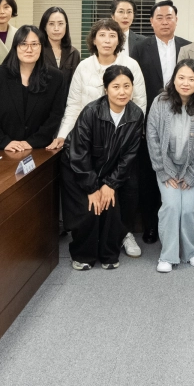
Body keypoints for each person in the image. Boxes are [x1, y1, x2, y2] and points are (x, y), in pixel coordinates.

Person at [55, 18, 146, 256]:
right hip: (88, 140)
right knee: (91, 189)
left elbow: (139, 103)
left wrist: (131, 133)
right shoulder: (83, 67)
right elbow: (74, 105)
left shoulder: (131, 64)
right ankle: (92, 236)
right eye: (102, 35)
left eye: (112, 35)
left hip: (122, 138)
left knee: (125, 188)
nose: (107, 40)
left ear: (119, 39)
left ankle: (124, 233)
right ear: (94, 39)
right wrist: (63, 136)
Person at [63, 65, 146, 270]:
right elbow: (79, 153)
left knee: (110, 204)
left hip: (109, 171)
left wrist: (110, 184)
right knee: (90, 208)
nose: (122, 92)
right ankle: (83, 255)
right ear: (106, 89)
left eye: (127, 86)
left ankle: (108, 253)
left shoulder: (136, 114)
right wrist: (92, 188)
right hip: (78, 169)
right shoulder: (91, 111)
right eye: (116, 86)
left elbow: (129, 156)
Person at [127, 0, 189, 246]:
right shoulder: (140, 48)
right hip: (151, 119)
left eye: (169, 17)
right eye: (159, 18)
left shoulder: (186, 47)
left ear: (176, 20)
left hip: (183, 118)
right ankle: (151, 226)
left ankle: (178, 226)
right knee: (150, 172)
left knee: (179, 169)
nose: (165, 22)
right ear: (151, 22)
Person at [146, 59, 194, 272]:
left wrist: (193, 174)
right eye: (181, 77)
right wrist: (164, 170)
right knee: (171, 206)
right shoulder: (160, 102)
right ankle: (167, 256)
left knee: (189, 209)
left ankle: (192, 252)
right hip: (166, 167)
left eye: (191, 79)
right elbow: (152, 136)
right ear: (174, 79)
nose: (185, 83)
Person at [0, 26, 68, 153]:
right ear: (15, 47)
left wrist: (32, 142)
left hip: (41, 149)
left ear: (42, 47)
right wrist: (4, 142)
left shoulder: (56, 78)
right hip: (2, 149)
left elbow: (56, 115)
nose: (29, 49)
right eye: (23, 44)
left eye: (34, 44)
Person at [39, 6, 80, 83]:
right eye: (51, 24)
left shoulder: (74, 53)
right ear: (44, 27)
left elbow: (76, 83)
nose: (56, 28)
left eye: (60, 23)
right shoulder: (38, 51)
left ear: (66, 26)